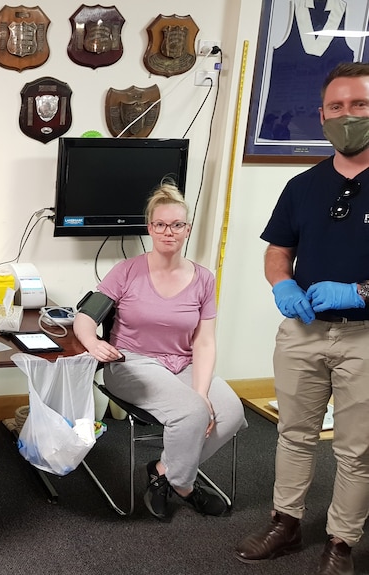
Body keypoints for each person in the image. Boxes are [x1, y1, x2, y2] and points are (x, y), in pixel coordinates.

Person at [235, 62, 369, 575]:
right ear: (322, 114)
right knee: (294, 433)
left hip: (364, 337)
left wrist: (360, 290)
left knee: (357, 450)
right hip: (303, 332)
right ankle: (285, 523)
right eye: (337, 107)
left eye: (359, 105)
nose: (347, 115)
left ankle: (341, 544)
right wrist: (282, 283)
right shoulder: (302, 186)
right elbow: (278, 252)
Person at [73, 181, 247, 521]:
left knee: (231, 413)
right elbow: (84, 316)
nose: (169, 232)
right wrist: (93, 342)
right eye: (161, 225)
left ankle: (164, 470)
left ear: (187, 230)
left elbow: (205, 341)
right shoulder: (126, 271)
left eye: (177, 225)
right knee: (193, 413)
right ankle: (184, 485)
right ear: (150, 228)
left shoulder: (204, 279)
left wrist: (201, 391)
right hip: (131, 362)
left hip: (182, 363)